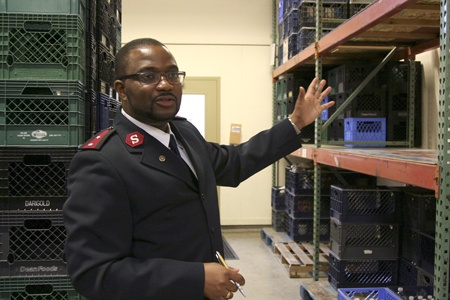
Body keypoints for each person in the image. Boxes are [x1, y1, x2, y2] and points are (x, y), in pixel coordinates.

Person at [63, 38, 334, 300]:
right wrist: (196, 279)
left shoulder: (184, 133)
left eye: (172, 74)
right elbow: (93, 272)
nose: (165, 85)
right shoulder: (102, 162)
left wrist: (295, 123)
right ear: (121, 89)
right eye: (148, 77)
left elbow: (235, 162)